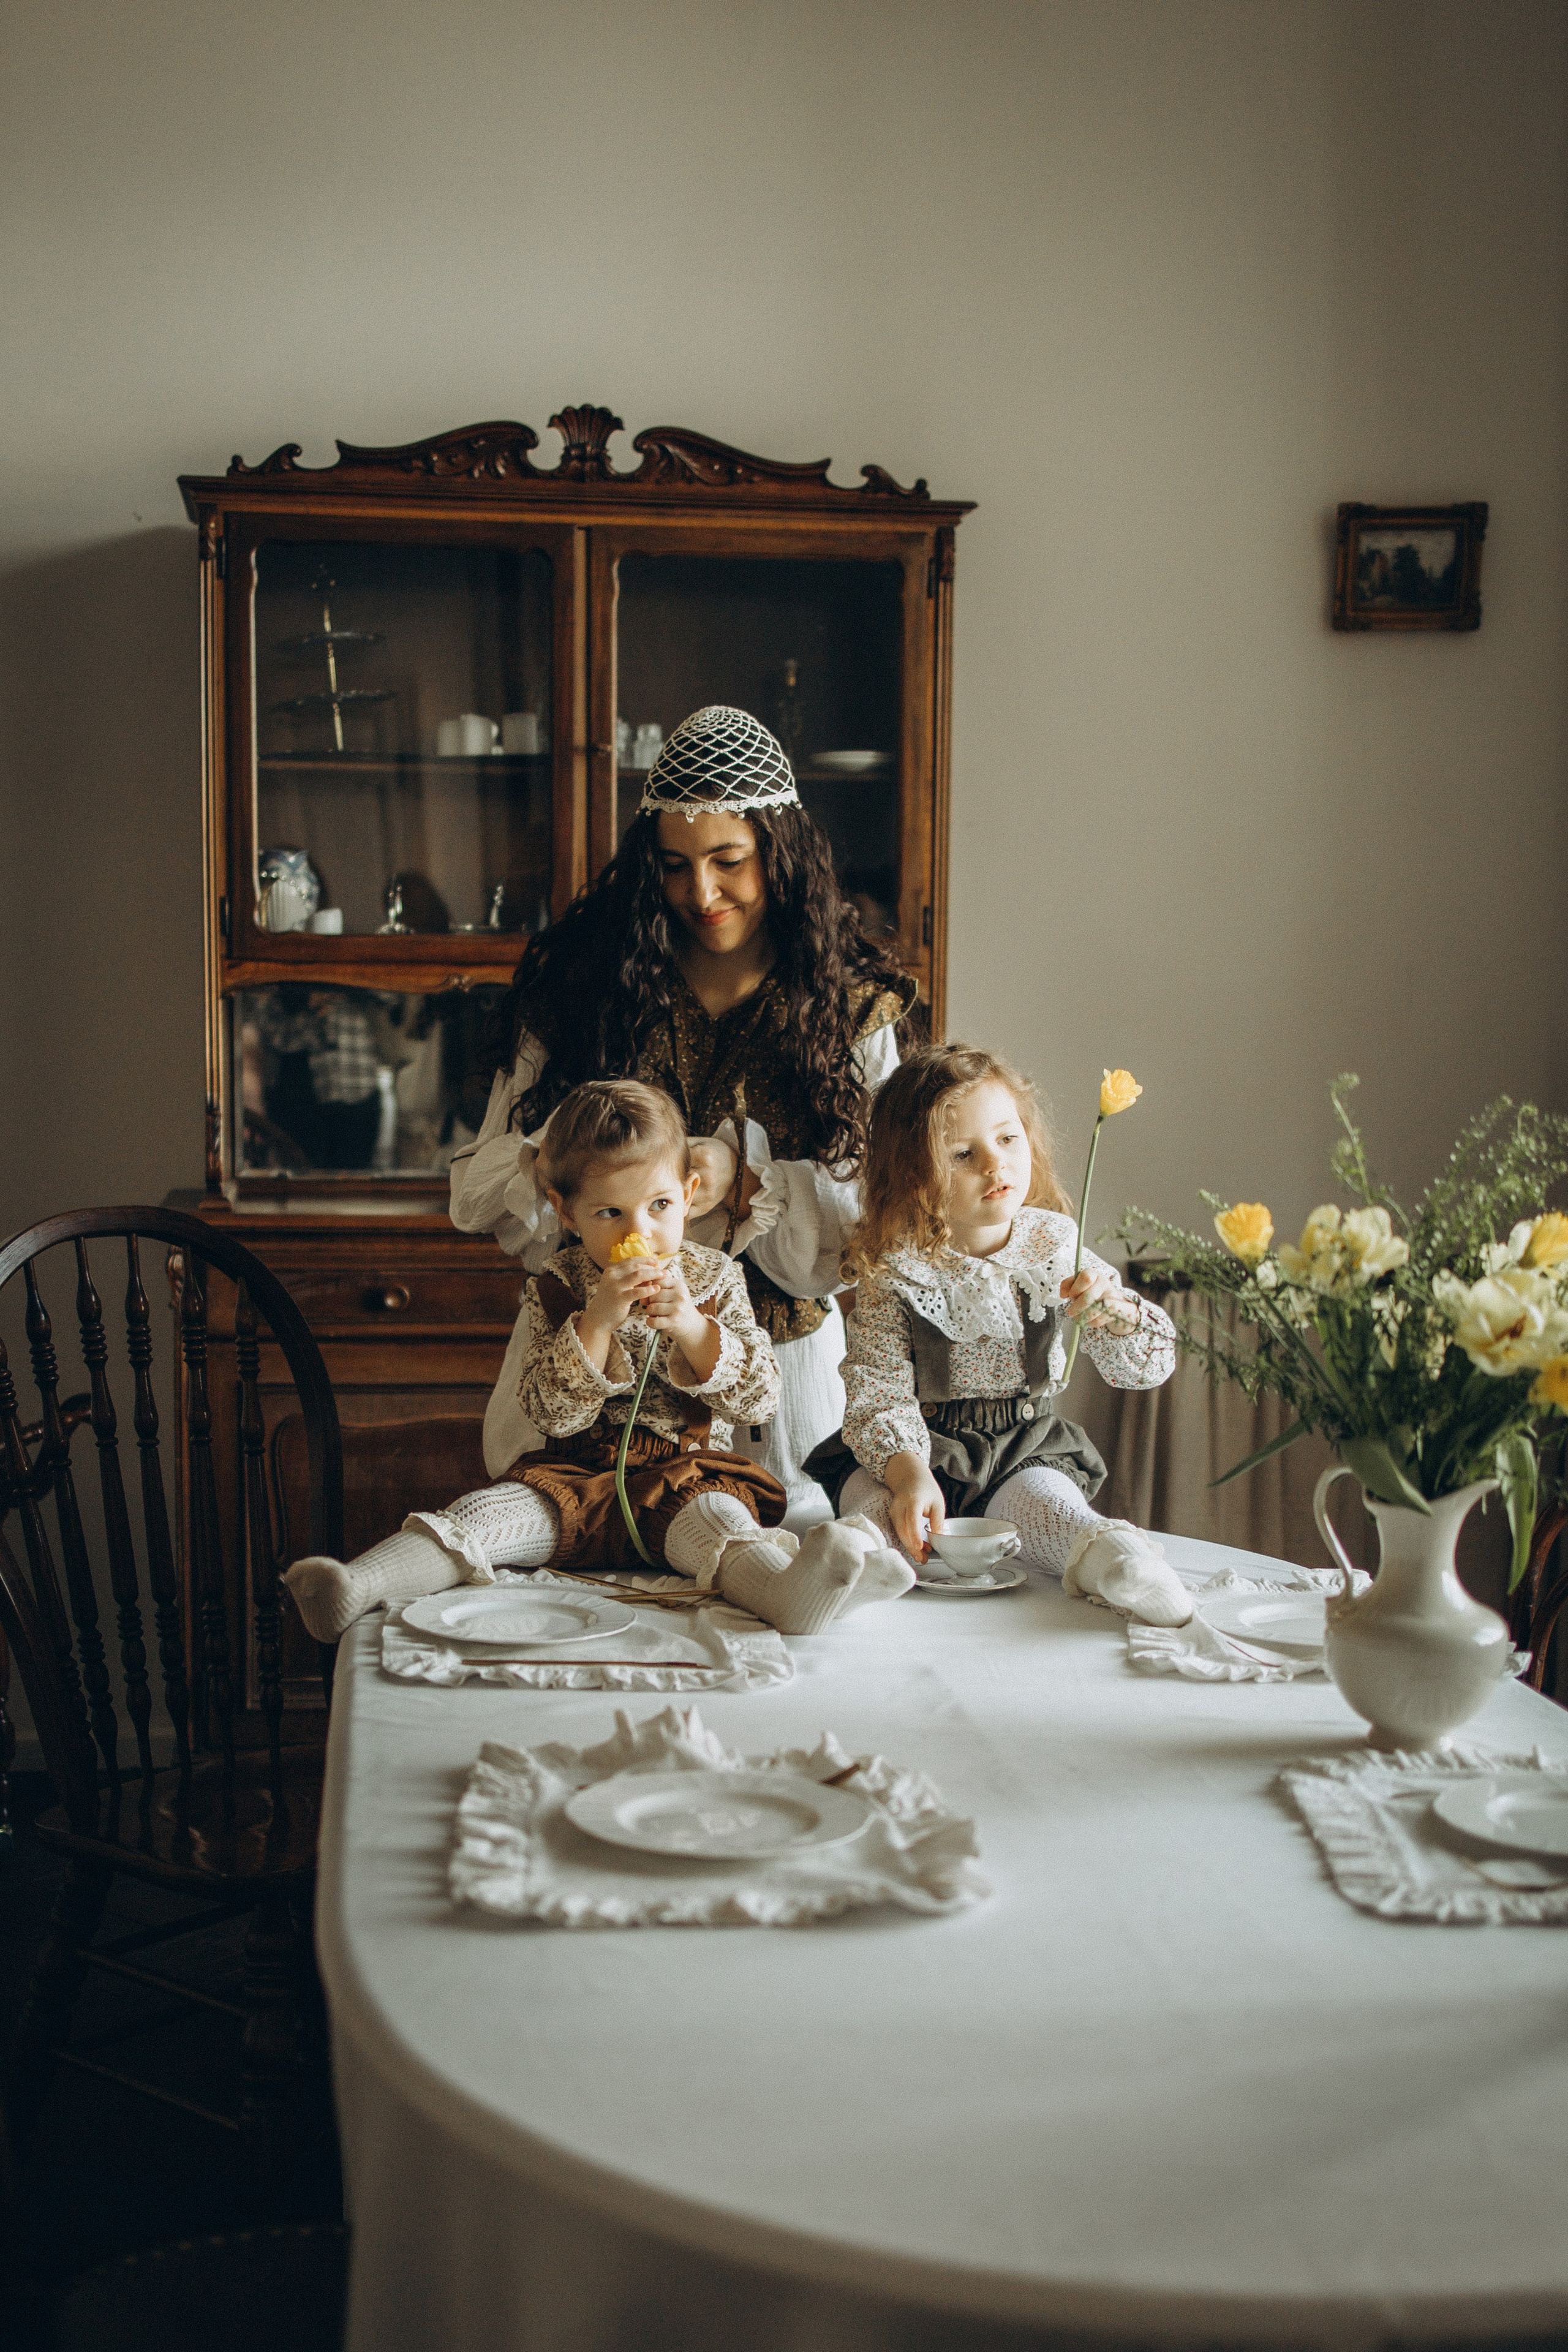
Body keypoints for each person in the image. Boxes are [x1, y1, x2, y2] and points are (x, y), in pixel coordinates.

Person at [448, 705, 915, 1523]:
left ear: (781, 851)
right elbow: (481, 1186)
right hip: (594, 1381)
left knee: (779, 1554)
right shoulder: (580, 987)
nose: (701, 893)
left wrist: (751, 1175)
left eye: (729, 861)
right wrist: (556, 1155)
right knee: (580, 1555)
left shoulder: (850, 1006)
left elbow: (876, 1222)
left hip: (781, 1386)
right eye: (674, 866)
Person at [285, 1081, 913, 1641]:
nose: (639, 1229)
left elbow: (759, 1399)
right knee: (479, 1516)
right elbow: (550, 1413)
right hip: (574, 1476)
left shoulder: (717, 1277)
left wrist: (694, 1329)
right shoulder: (557, 1284)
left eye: (659, 1206)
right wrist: (596, 1323)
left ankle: (795, 1594)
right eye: (610, 1213)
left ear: (689, 1195)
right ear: (565, 1211)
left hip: (683, 1476)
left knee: (725, 1532)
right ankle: (355, 1587)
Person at [804, 1046, 1194, 1627]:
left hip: (1020, 1450)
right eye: (964, 1154)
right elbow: (878, 1390)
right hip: (913, 1451)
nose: (996, 1165)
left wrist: (1114, 1314)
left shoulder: (1055, 1248)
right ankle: (854, 1568)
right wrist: (909, 1476)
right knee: (873, 1508)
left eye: (1008, 1139)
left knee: (1052, 1509)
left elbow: (1143, 1369)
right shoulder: (896, 1271)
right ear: (913, 1174)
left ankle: (1118, 1563)